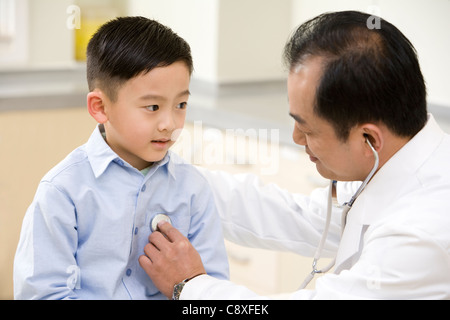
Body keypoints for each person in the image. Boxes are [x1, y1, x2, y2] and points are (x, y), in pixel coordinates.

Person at [139, 11, 450, 299]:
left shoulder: (422, 232)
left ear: (368, 138)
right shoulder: (394, 160)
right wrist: (177, 179)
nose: (295, 138)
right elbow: (294, 215)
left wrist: (190, 286)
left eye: (308, 129)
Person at [13, 16, 229, 300]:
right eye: (152, 106)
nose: (169, 123)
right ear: (100, 106)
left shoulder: (192, 189)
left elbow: (214, 292)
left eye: (181, 104)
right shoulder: (63, 191)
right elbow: (42, 294)